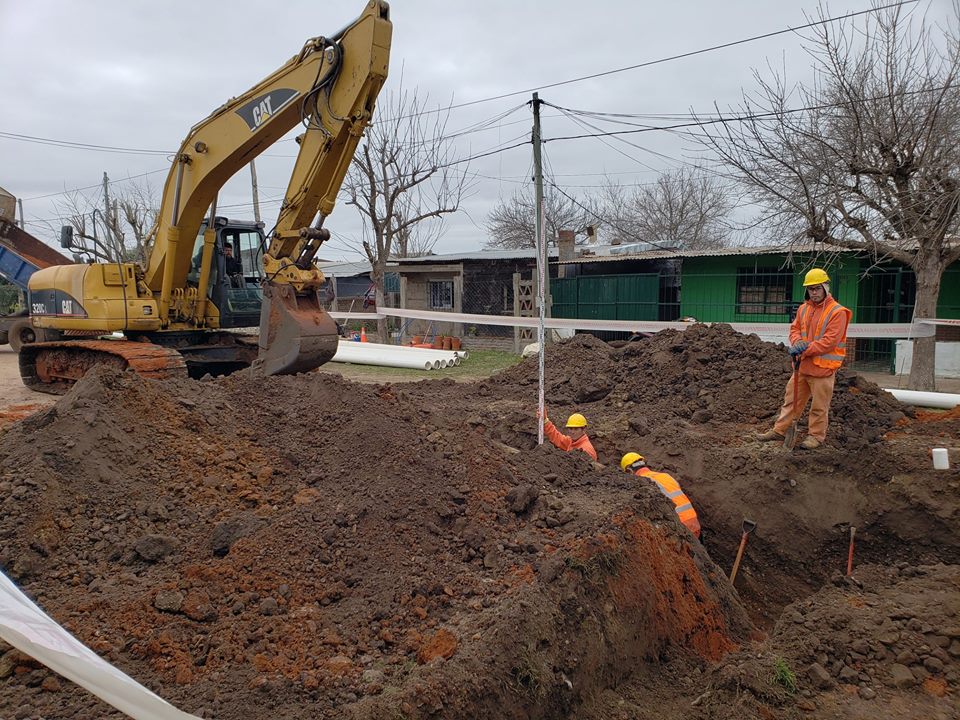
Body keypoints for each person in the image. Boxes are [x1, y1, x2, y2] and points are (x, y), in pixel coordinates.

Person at [755, 268, 852, 450]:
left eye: (817, 288)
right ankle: (780, 430)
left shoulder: (837, 312)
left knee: (819, 406)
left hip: (823, 369)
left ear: (825, 287)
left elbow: (829, 342)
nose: (813, 292)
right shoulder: (803, 309)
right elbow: (795, 329)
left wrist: (805, 348)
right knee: (791, 401)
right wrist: (797, 341)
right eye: (810, 289)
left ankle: (815, 436)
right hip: (801, 367)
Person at [620, 453, 701, 538]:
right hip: (694, 522)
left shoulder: (643, 483)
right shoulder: (665, 476)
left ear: (629, 470)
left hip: (680, 528)